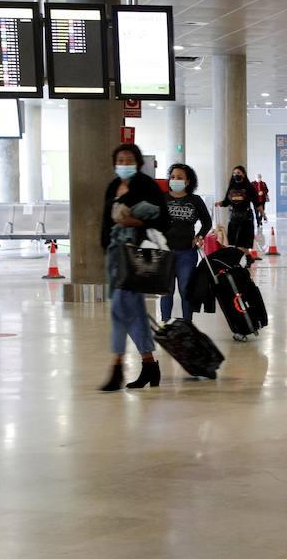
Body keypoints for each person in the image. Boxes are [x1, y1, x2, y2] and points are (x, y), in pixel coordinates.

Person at [99, 143, 169, 392]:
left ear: (137, 162)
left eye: (129, 159)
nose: (124, 163)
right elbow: (105, 221)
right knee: (136, 312)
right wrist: (105, 247)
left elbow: (163, 218)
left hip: (136, 255)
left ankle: (116, 366)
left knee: (119, 309)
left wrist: (133, 220)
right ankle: (150, 365)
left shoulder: (146, 185)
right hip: (115, 256)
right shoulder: (112, 186)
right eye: (120, 159)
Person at [160, 163, 211, 323]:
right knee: (166, 290)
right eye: (173, 177)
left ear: (188, 182)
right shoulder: (162, 198)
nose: (175, 180)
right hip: (165, 252)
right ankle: (166, 324)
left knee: (185, 289)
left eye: (180, 178)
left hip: (187, 253)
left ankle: (187, 324)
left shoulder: (195, 200)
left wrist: (200, 236)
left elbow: (207, 222)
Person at [216, 165, 258, 255]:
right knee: (234, 241)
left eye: (238, 173)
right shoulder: (232, 186)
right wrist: (220, 203)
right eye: (234, 173)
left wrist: (262, 214)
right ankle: (243, 260)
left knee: (243, 242)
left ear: (243, 174)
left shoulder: (249, 186)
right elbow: (227, 201)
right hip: (234, 216)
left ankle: (246, 259)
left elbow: (256, 201)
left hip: (246, 217)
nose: (236, 175)